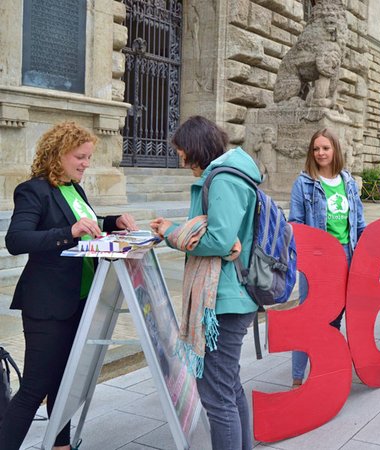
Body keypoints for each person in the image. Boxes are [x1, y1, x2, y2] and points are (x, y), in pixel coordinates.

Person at [0, 122, 138, 450]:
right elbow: (16, 240)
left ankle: (61, 445)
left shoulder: (74, 188)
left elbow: (82, 224)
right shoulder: (33, 190)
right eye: (80, 156)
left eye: (89, 157)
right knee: (35, 387)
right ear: (58, 154)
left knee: (64, 380)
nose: (86, 163)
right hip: (47, 303)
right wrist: (69, 232)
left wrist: (111, 221)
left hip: (79, 300)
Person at [150, 116, 259, 450]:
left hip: (224, 299)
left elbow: (219, 239)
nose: (182, 162)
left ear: (195, 149)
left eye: (182, 153)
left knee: (216, 396)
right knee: (228, 387)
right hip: (231, 294)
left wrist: (172, 232)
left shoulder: (222, 179)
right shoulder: (231, 173)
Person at [288, 128, 366, 386]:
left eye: (325, 148)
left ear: (335, 150)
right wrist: (308, 257)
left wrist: (367, 257)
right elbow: (296, 224)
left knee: (336, 315)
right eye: (316, 149)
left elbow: (359, 223)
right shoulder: (304, 183)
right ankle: (298, 378)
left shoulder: (349, 182)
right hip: (317, 258)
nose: (321, 153)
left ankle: (324, 366)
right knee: (307, 316)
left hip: (346, 255)